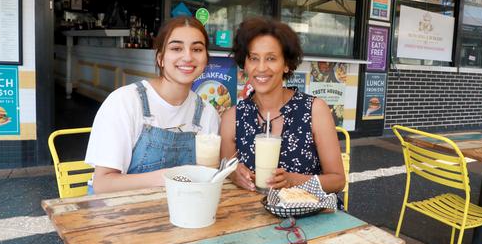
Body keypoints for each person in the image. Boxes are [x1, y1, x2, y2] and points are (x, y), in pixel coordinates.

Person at [85, 17, 220, 193]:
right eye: (176, 48)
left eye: (197, 49)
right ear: (161, 58)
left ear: (205, 60)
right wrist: (167, 178)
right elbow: (103, 184)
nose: (188, 56)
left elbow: (206, 178)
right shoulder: (125, 102)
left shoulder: (207, 113)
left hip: (180, 210)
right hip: (119, 211)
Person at [220, 17, 345, 194]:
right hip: (252, 216)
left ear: (286, 64)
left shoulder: (315, 110)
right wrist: (233, 174)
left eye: (271, 58)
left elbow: (338, 180)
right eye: (254, 58)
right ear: (245, 65)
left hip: (309, 216)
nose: (261, 68)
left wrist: (293, 180)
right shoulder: (232, 117)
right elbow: (226, 168)